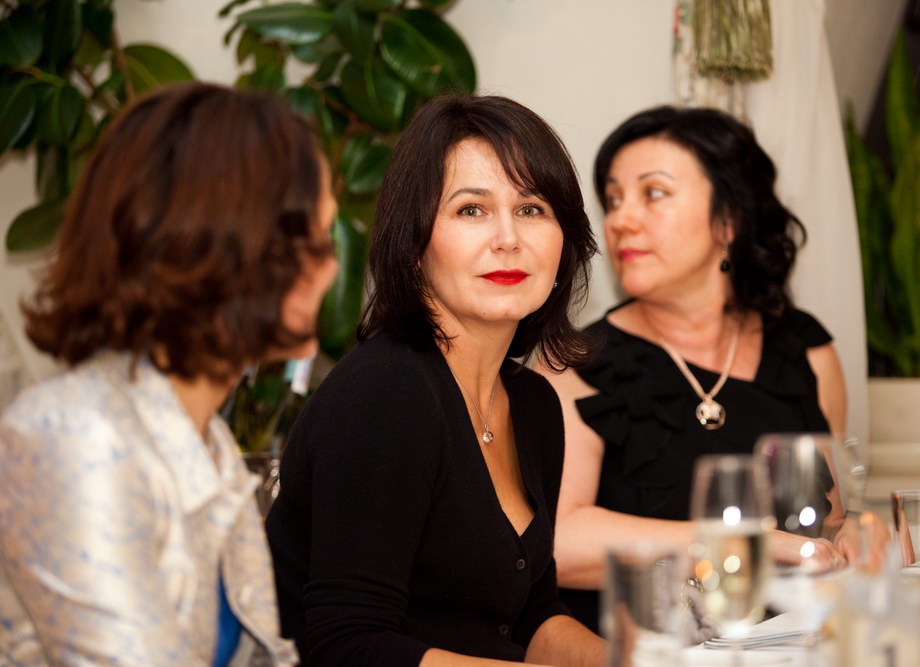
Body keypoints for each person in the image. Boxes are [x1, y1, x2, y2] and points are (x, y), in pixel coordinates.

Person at [0, 82, 338, 665]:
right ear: (232, 248)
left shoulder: (211, 442)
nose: (331, 268)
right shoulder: (73, 434)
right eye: (318, 237)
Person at [265, 93, 605, 667]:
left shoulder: (532, 402)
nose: (508, 238)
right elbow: (346, 646)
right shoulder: (386, 393)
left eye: (531, 209)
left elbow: (531, 614)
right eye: (471, 210)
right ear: (414, 241)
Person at [536, 105, 855, 632]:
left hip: (792, 644)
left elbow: (825, 523)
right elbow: (559, 546)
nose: (619, 220)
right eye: (613, 200)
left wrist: (857, 534)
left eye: (653, 193)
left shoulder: (805, 351)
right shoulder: (575, 362)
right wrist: (734, 545)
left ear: (728, 221)